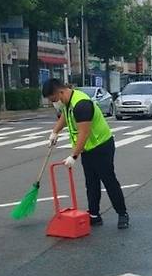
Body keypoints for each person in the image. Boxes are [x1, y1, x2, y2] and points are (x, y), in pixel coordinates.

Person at [42, 78, 129, 229]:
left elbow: (84, 133)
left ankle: (122, 214)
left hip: (101, 146)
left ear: (60, 92)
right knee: (91, 182)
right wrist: (55, 132)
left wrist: (73, 155)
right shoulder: (68, 102)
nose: (54, 103)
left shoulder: (81, 104)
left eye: (54, 99)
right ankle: (94, 215)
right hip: (88, 149)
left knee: (109, 181)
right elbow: (64, 115)